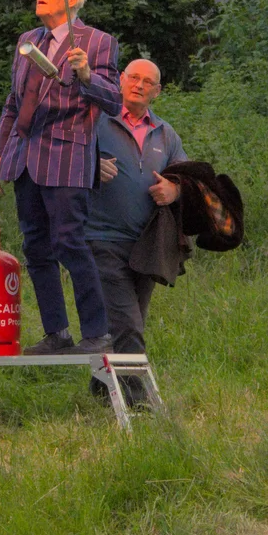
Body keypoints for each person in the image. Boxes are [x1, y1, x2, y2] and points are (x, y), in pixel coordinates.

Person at [0, 0, 123, 354]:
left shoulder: (97, 43)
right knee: (35, 247)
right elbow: (13, 103)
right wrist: (0, 152)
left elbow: (113, 100)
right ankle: (57, 333)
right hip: (24, 158)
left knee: (69, 241)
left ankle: (98, 333)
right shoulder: (27, 41)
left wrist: (86, 74)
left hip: (67, 157)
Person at [85, 58, 187, 400]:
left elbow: (188, 180)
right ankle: (137, 403)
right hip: (102, 237)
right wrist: (90, 166)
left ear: (156, 92)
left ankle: (101, 394)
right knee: (128, 324)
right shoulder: (96, 121)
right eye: (133, 78)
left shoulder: (165, 133)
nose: (139, 85)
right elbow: (67, 160)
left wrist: (174, 190)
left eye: (147, 82)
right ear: (121, 81)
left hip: (147, 244)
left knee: (129, 322)